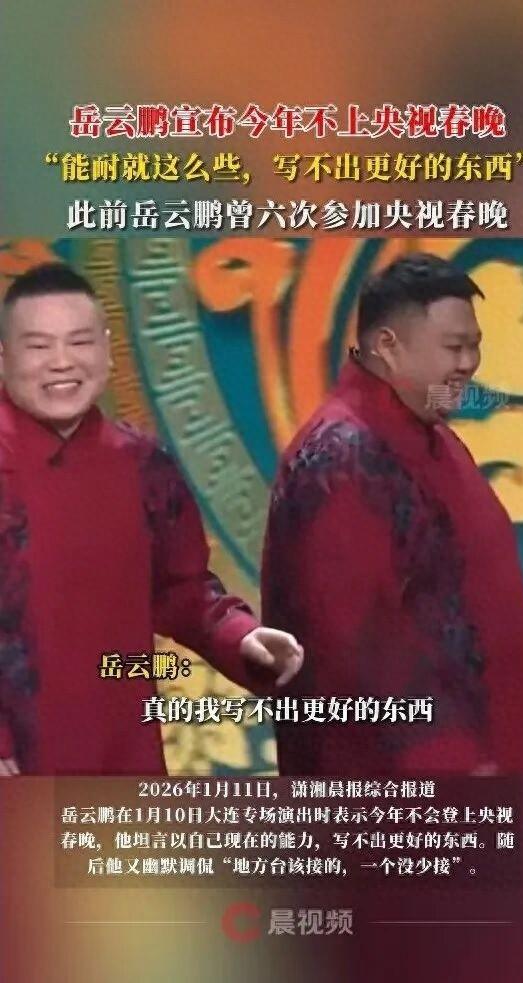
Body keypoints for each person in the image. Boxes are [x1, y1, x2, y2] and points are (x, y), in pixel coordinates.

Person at [0, 262, 303, 775]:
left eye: (79, 342)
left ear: (106, 349)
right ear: (4, 356)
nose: (62, 362)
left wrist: (242, 638)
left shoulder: (142, 462)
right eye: (38, 346)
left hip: (124, 758)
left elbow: (182, 590)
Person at [262, 252, 523, 776]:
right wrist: (454, 764)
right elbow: (353, 646)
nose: (469, 363)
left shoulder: (437, 441)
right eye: (453, 347)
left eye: (474, 346)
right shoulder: (341, 457)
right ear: (388, 346)